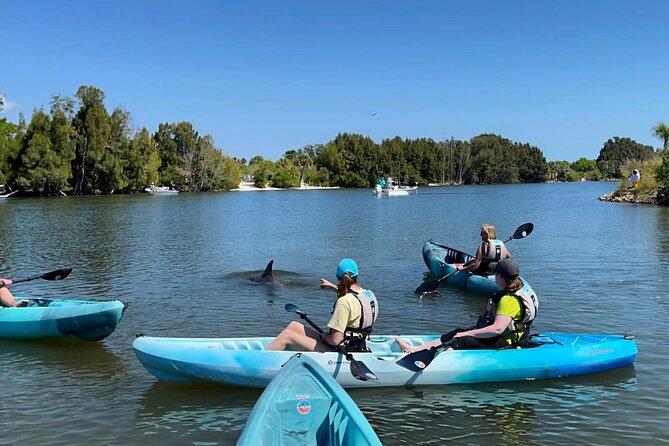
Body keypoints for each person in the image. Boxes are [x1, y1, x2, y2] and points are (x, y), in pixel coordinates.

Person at [396, 259, 538, 352]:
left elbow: (497, 329)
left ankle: (432, 363)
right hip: (505, 336)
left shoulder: (509, 300)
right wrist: (467, 331)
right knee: (457, 332)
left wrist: (468, 334)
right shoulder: (515, 289)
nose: (493, 275)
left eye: (495, 273)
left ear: (500, 277)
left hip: (508, 342)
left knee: (462, 340)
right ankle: (415, 350)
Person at [265, 259, 379, 352]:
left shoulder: (344, 302)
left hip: (342, 350)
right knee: (293, 325)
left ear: (338, 277)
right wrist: (333, 287)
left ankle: (261, 361)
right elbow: (355, 300)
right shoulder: (368, 295)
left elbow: (335, 340)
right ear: (357, 275)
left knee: (287, 336)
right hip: (358, 343)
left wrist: (324, 337)